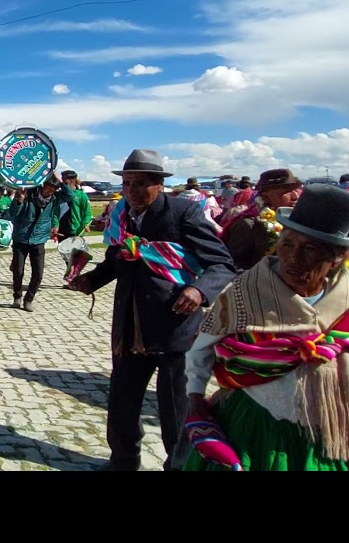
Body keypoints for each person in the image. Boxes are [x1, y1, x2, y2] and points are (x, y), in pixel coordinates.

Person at [184, 185, 349, 471]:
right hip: (252, 429)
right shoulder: (245, 293)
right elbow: (202, 348)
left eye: (309, 250)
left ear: (337, 258)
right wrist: (195, 397)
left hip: (331, 437)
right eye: (287, 245)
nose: (293, 259)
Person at [69, 149, 237, 471]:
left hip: (175, 326)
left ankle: (178, 465)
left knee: (175, 407)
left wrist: (199, 290)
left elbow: (221, 263)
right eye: (127, 183)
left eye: (140, 183)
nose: (132, 191)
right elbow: (117, 259)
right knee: (122, 400)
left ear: (159, 184)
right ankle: (123, 460)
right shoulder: (122, 215)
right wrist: (92, 279)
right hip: (130, 327)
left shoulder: (183, 213)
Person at [6, 177, 73, 311]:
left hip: (39, 240)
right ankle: (17, 297)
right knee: (18, 271)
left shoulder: (54, 199)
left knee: (38, 273)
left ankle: (29, 299)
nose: (49, 192)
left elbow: (70, 195)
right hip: (21, 239)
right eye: (48, 188)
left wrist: (59, 181)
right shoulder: (27, 195)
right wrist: (19, 200)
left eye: (53, 190)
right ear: (42, 186)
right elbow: (13, 213)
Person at [221, 169, 302, 272]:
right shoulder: (248, 225)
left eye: (295, 190)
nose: (295, 196)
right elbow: (234, 267)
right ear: (265, 196)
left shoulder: (296, 223)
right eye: (287, 191)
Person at [55, 170, 93, 242]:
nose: (62, 183)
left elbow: (87, 212)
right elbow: (55, 212)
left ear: (72, 180)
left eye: (64, 181)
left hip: (76, 230)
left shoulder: (81, 195)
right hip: (62, 230)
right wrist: (55, 225)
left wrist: (86, 224)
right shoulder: (60, 195)